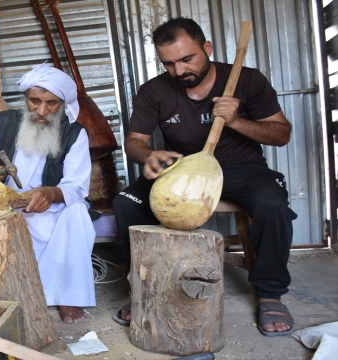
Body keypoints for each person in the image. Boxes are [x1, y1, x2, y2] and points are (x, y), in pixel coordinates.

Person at [112, 17, 297, 336]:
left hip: (241, 168)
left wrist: (237, 120)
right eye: (169, 63)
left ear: (206, 47)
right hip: (181, 167)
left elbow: (281, 134)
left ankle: (269, 292)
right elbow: (134, 141)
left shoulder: (247, 80)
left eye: (187, 59)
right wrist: (149, 155)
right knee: (126, 203)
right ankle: (143, 289)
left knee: (273, 204)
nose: (179, 70)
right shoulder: (154, 90)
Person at [0, 63, 96, 324]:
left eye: (51, 103)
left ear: (62, 103)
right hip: (2, 206)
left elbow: (77, 186)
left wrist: (50, 193)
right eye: (35, 101)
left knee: (77, 212)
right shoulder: (3, 122)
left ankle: (67, 296)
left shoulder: (74, 134)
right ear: (25, 99)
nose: (42, 111)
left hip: (47, 210)